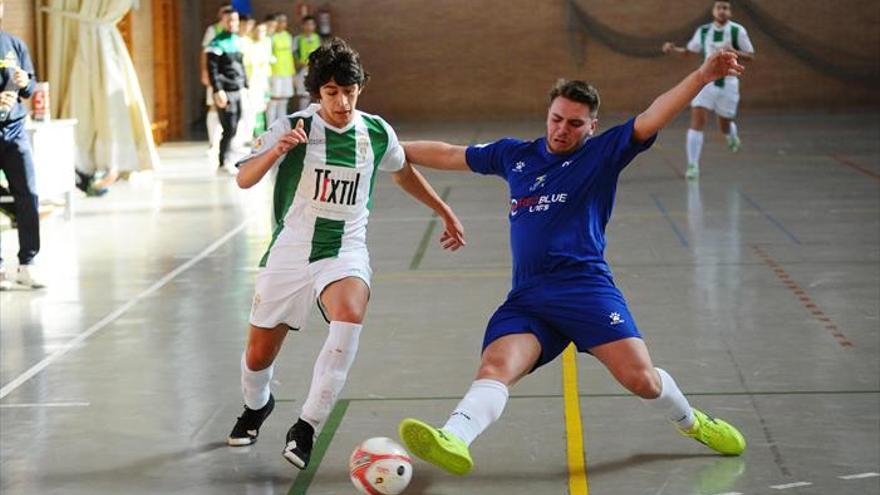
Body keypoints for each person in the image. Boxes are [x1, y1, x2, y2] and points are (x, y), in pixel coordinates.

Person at [397, 49, 748, 477]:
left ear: (592, 126)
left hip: (585, 290)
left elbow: (654, 114)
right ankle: (454, 436)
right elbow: (452, 154)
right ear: (548, 114)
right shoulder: (516, 156)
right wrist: (382, 147)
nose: (562, 129)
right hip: (528, 298)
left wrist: (702, 75)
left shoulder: (601, 155)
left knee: (642, 381)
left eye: (575, 123)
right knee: (495, 367)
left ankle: (692, 423)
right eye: (557, 118)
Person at [225, 38, 466, 471]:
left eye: (350, 91)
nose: (342, 101)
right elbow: (244, 178)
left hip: (345, 251)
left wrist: (443, 210)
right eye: (332, 92)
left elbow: (402, 171)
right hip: (290, 252)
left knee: (350, 313)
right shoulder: (293, 128)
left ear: (360, 89)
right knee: (258, 356)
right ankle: (256, 405)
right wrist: (277, 152)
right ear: (317, 93)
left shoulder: (376, 132)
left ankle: (307, 427)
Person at [662, 0, 755, 179]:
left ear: (730, 12)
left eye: (725, 8)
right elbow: (690, 51)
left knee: (724, 125)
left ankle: (731, 134)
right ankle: (692, 165)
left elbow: (751, 56)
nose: (722, 11)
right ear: (713, 11)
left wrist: (734, 50)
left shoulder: (737, 31)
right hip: (706, 82)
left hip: (728, 83)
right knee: (697, 119)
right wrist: (673, 49)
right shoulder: (704, 31)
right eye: (719, 7)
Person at [0, 23, 44, 290]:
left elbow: (31, 84)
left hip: (15, 130)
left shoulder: (15, 44)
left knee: (28, 193)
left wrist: (27, 82)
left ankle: (27, 264)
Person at [206, 8, 247, 173]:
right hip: (225, 90)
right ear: (223, 22)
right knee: (229, 126)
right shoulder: (216, 43)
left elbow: (241, 65)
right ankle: (223, 162)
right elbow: (212, 69)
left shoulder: (238, 41)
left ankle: (229, 157)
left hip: (238, 89)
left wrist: (246, 85)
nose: (232, 24)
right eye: (228, 20)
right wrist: (218, 90)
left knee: (236, 126)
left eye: (234, 21)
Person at [201, 3, 232, 163]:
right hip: (216, 77)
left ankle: (226, 143)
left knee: (230, 112)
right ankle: (213, 143)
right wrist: (205, 72)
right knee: (214, 106)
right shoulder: (213, 30)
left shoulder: (234, 32)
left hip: (230, 80)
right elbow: (205, 53)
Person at [267, 13, 295, 127]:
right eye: (280, 21)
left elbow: (290, 56)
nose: (283, 23)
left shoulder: (288, 36)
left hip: (287, 73)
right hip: (275, 73)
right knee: (273, 101)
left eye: (284, 21)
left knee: (284, 101)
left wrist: (293, 74)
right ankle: (270, 127)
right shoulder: (270, 37)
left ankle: (281, 127)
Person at [292, 15, 321, 111]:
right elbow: (294, 54)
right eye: (307, 24)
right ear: (302, 26)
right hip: (302, 70)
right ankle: (302, 117)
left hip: (315, 70)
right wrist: (298, 65)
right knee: (304, 95)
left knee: (317, 94)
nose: (309, 26)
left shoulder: (317, 38)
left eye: (312, 24)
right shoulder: (298, 39)